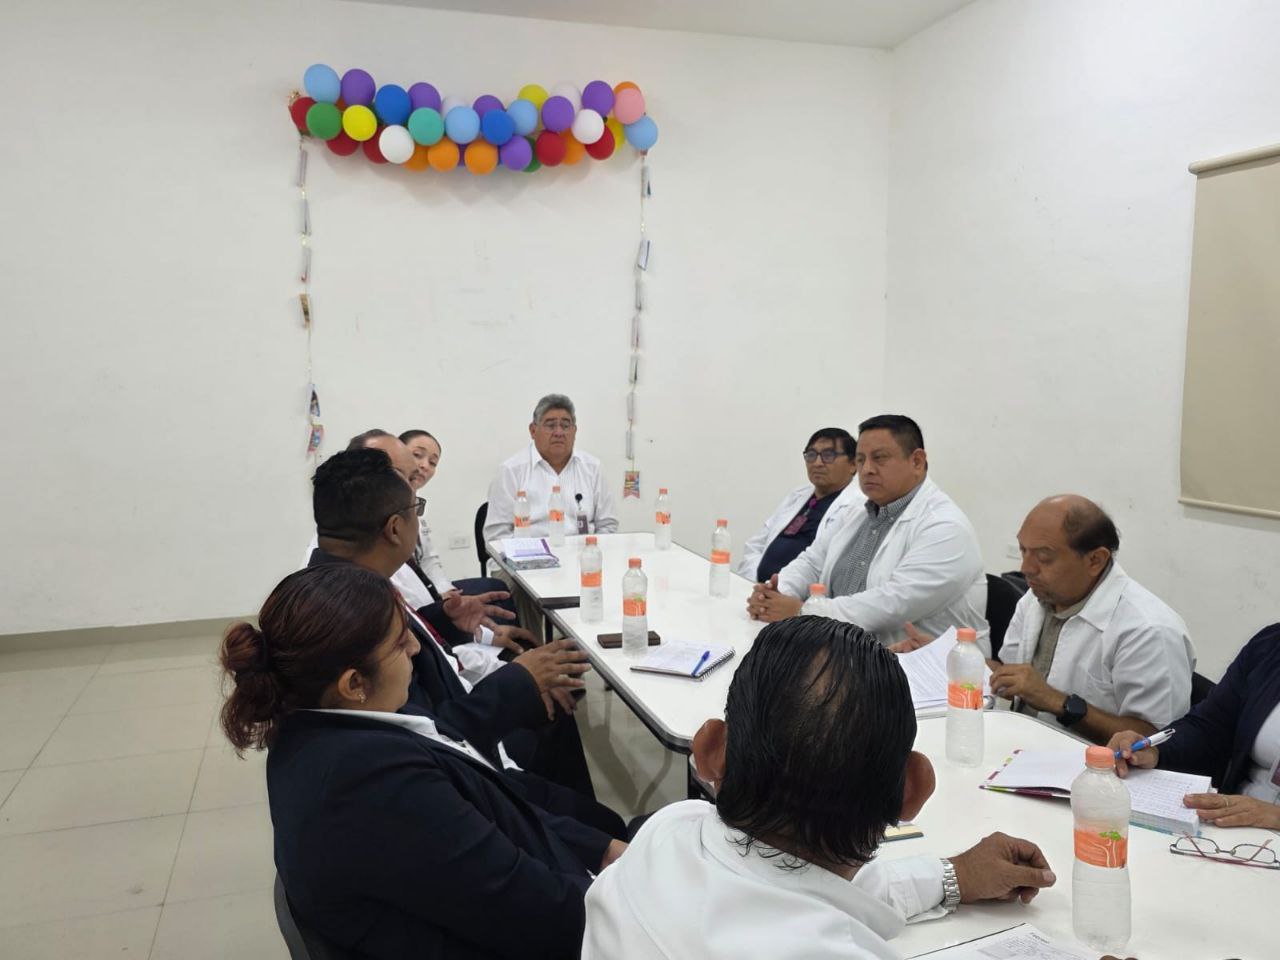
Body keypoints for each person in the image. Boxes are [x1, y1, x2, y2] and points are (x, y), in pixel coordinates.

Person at [582, 617, 1057, 959]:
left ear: (709, 752)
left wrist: (952, 877)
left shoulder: (667, 831)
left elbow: (805, 886)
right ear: (912, 792)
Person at [220, 563, 623, 959]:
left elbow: (491, 808)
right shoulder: (371, 782)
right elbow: (534, 910)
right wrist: (629, 903)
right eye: (400, 643)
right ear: (354, 683)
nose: (416, 647)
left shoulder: (326, 727)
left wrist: (601, 849)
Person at [308, 448, 601, 800]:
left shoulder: (342, 580)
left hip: (451, 717)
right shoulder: (360, 615)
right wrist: (518, 680)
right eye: (416, 508)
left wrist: (443, 621)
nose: (410, 644)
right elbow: (429, 733)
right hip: (454, 770)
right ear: (395, 528)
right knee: (595, 814)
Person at [746, 415, 988, 651]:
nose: (867, 469)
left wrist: (802, 613)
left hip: (927, 670)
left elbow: (891, 604)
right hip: (841, 650)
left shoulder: (945, 527)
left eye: (879, 458)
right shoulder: (855, 511)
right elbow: (812, 562)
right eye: (861, 460)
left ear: (917, 461)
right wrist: (776, 593)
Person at [993, 496, 1194, 744]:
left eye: (1044, 557)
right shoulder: (1036, 599)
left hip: (1089, 762)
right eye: (1023, 550)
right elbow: (1012, 677)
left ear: (1095, 560)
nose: (1026, 568)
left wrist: (1060, 703)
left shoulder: (1149, 630)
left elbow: (1156, 741)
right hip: (1019, 742)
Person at [1110, 622, 1280, 830]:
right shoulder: (1271, 645)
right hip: (1235, 828)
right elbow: (1209, 729)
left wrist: (1275, 816)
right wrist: (1155, 752)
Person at [399, 427, 513, 614]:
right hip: (411, 600)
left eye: (432, 462)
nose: (425, 465)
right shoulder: (388, 507)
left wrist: (446, 590)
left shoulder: (416, 506)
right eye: (417, 455)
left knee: (497, 589)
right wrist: (438, 599)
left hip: (429, 590)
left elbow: (429, 560)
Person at [484, 393, 618, 543]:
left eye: (565, 426)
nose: (559, 433)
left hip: (584, 553)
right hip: (530, 555)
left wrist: (591, 550)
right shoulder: (511, 471)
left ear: (574, 431)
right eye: (550, 425)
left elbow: (608, 525)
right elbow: (497, 536)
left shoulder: (593, 469)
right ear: (533, 431)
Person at [736, 427, 863, 583]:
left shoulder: (857, 507)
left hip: (797, 594)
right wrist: (752, 580)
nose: (817, 463)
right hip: (755, 586)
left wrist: (775, 588)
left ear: (853, 464)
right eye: (811, 455)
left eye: (828, 455)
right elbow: (756, 544)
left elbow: (825, 567)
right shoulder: (797, 496)